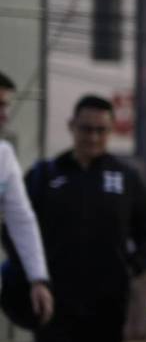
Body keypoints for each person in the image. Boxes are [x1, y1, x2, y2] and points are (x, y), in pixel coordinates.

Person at [32, 94, 146, 342]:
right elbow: (17, 227)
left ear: (111, 130)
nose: (93, 137)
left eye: (102, 130)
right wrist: (32, 273)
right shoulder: (44, 175)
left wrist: (133, 266)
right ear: (71, 125)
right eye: (86, 129)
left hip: (108, 304)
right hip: (55, 300)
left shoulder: (126, 178)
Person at [0, 72, 53, 329]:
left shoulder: (4, 156)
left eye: (7, 105)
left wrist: (37, 279)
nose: (5, 115)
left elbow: (22, 219)